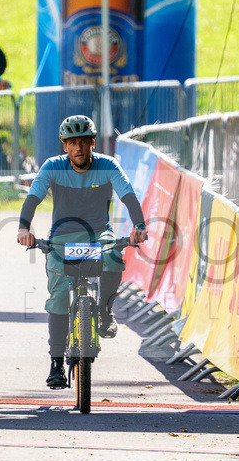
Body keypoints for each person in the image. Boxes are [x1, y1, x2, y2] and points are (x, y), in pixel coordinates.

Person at [17, 115, 147, 389]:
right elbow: (33, 198)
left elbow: (128, 195)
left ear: (92, 143)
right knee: (60, 295)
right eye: (72, 143)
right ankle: (55, 363)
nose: (79, 148)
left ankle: (104, 311)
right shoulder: (52, 167)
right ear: (65, 146)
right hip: (62, 238)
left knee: (113, 257)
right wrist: (23, 229)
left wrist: (139, 226)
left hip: (99, 235)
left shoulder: (108, 166)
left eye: (84, 142)